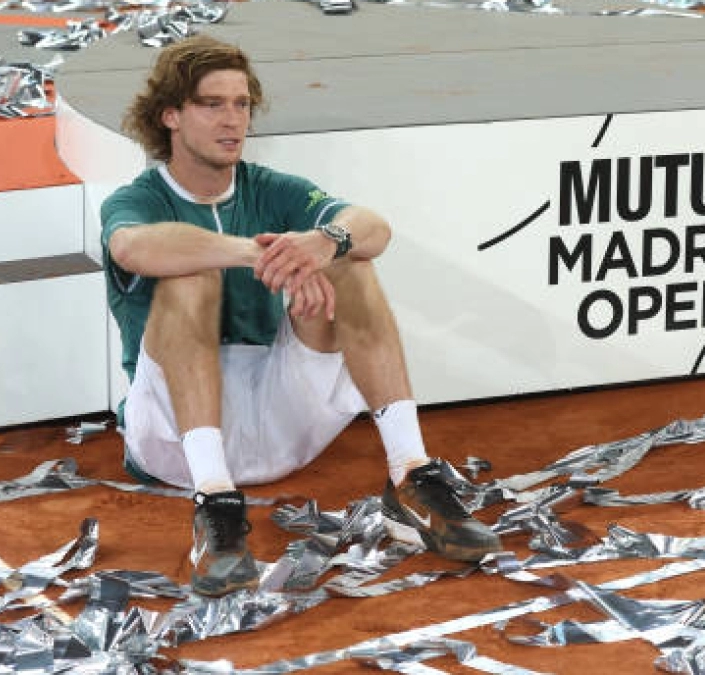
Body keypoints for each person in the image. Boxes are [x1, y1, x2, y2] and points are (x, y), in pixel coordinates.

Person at [101, 34, 501, 596]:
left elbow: (375, 228)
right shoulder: (136, 199)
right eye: (212, 104)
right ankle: (214, 506)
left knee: (351, 262)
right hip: (174, 442)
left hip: (279, 418)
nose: (232, 119)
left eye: (241, 104)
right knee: (191, 273)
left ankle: (410, 476)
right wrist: (259, 253)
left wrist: (322, 243)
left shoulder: (271, 188)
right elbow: (132, 248)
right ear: (169, 115)